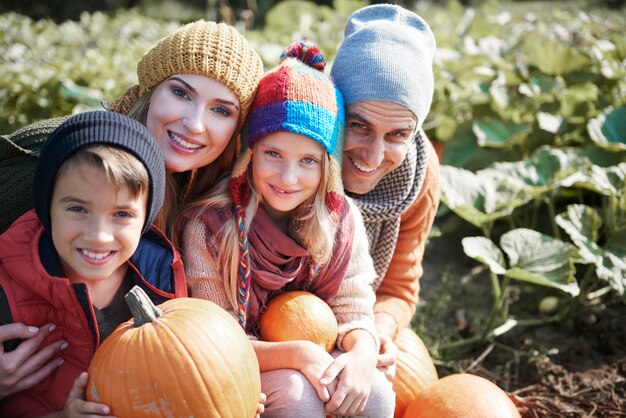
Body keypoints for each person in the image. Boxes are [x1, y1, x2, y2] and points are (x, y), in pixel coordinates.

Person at [0, 19, 264, 394]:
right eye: (181, 92)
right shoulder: (67, 157)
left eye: (221, 110)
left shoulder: (197, 190)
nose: (194, 123)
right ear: (150, 90)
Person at [181, 41, 395, 417]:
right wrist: (297, 354)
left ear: (326, 166)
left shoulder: (341, 221)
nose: (288, 177)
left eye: (308, 160)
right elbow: (218, 340)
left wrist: (362, 350)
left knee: (376, 393)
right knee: (299, 399)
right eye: (273, 154)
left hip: (321, 349)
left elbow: (353, 307)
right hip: (245, 360)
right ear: (250, 154)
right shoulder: (211, 227)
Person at [0, 111, 187, 417]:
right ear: (47, 207)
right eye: (77, 208)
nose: (99, 236)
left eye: (122, 214)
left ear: (145, 219)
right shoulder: (8, 284)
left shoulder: (163, 281)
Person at [330, 4, 441, 383]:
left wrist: (380, 328)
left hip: (359, 322)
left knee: (402, 376)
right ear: (335, 111)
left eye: (397, 135)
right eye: (359, 126)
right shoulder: (295, 154)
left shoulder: (419, 176)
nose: (373, 156)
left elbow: (399, 285)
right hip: (282, 325)